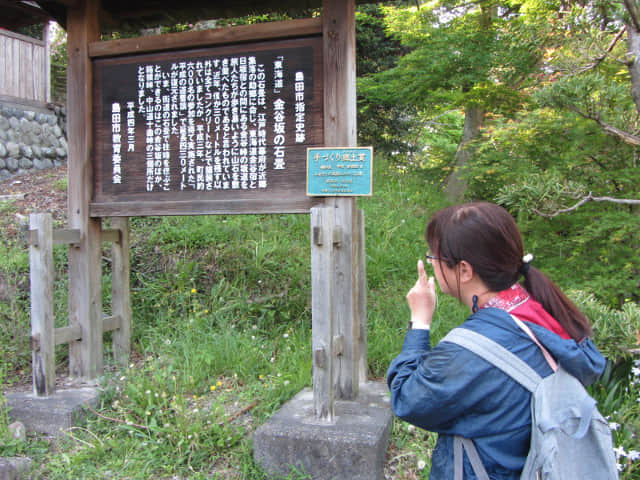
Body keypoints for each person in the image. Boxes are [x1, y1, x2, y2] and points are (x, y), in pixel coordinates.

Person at [387, 202, 606, 479]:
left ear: (464, 270)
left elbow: (407, 398)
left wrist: (419, 321)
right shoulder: (539, 311)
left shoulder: (473, 350)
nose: (431, 263)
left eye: (436, 257)